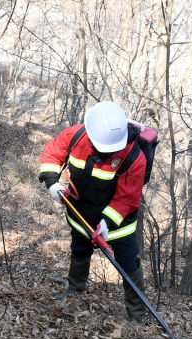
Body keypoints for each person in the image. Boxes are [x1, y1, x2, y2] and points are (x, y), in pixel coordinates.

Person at [38, 101, 147, 324]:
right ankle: (75, 289)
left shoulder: (134, 156)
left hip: (118, 225)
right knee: (79, 248)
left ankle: (137, 317)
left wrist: (107, 222)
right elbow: (51, 153)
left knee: (128, 263)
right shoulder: (76, 135)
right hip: (81, 214)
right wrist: (51, 182)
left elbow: (128, 197)